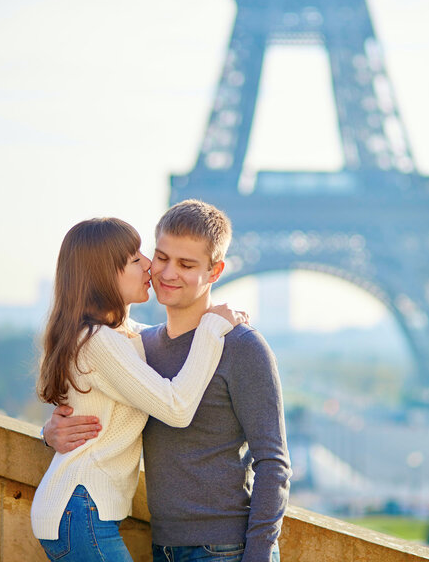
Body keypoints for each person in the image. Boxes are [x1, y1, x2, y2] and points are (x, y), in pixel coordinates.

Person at [45, 200, 292, 562]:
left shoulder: (242, 347)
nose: (167, 273)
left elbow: (273, 462)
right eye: (160, 257)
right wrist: (50, 432)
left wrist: (258, 555)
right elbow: (91, 400)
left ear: (215, 271)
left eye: (186, 264)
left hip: (224, 549)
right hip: (162, 547)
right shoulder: (137, 346)